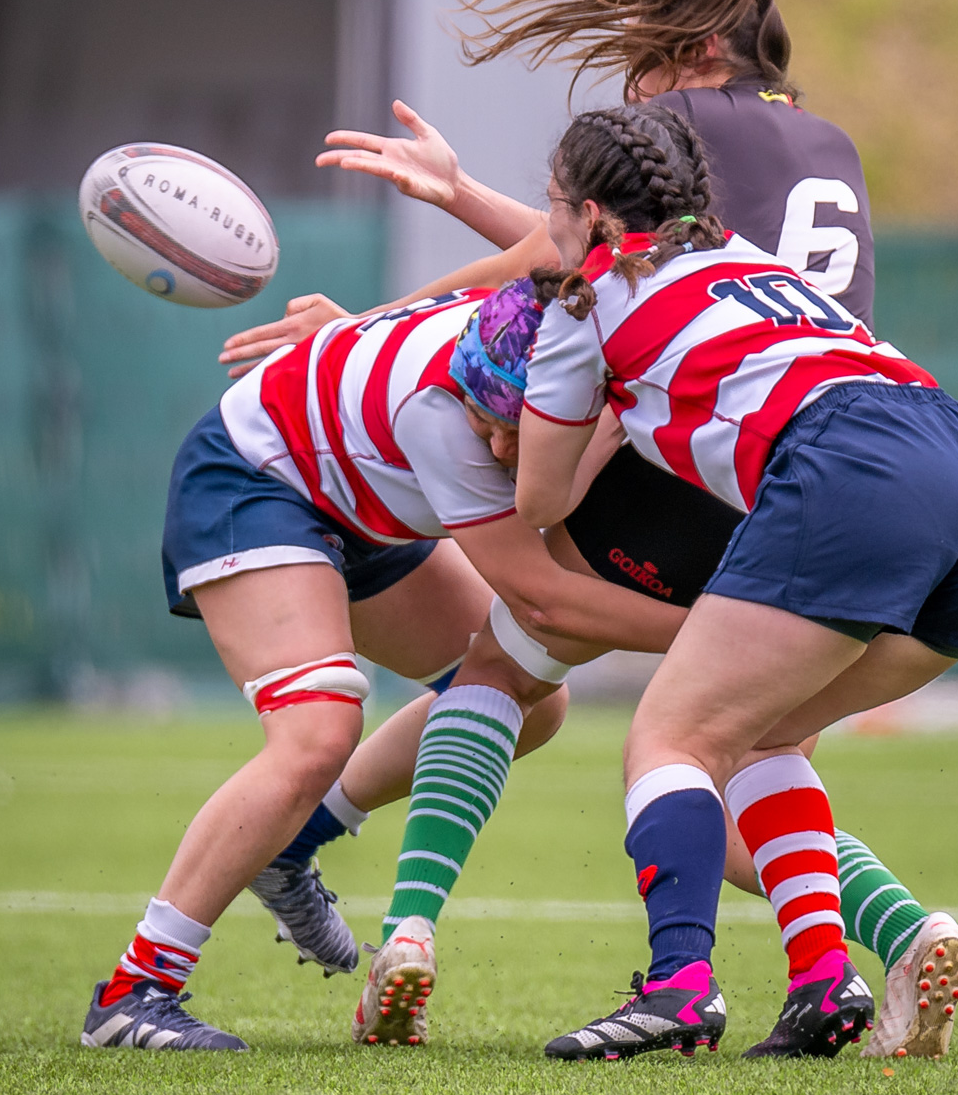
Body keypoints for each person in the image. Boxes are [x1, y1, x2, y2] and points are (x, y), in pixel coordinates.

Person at [221, 0, 958, 1058]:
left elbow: (555, 266)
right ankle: (881, 940)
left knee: (525, 667)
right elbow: (604, 252)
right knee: (721, 727)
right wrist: (459, 191)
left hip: (680, 466)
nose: (630, 101)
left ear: (693, 54)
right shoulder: (817, 141)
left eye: (640, 70)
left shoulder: (695, 138)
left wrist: (361, 332)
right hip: (812, 464)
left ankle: (395, 918)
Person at [510, 104, 958, 1060]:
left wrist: (568, 412)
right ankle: (825, 984)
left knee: (670, 737)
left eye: (550, 209)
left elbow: (539, 499)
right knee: (768, 734)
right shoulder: (750, 257)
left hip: (852, 468)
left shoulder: (586, 299)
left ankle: (677, 992)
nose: (546, 231)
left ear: (590, 217)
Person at [80, 286, 684, 1053]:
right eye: (486, 422)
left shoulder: (555, 325)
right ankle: (135, 992)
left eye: (518, 432)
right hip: (257, 477)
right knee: (318, 730)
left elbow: (540, 245)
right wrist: (721, 630)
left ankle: (293, 844)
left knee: (528, 701)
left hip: (360, 498)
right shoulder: (436, 413)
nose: (500, 449)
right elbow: (541, 602)